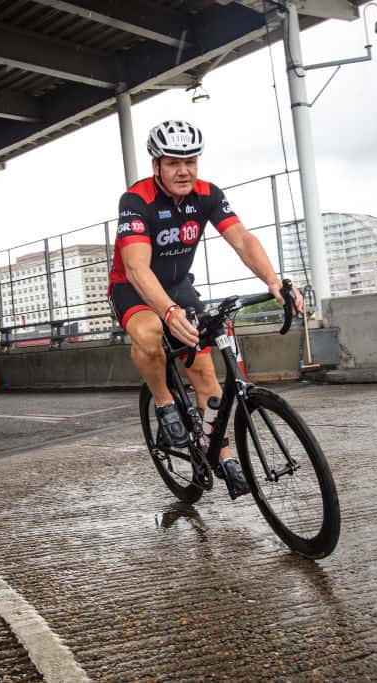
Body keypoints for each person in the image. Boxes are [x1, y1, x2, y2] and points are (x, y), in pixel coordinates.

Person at [109, 120, 304, 497]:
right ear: (156, 166)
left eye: (191, 161)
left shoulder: (208, 194)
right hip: (133, 286)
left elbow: (243, 240)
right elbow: (136, 266)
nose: (183, 170)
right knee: (149, 334)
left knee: (203, 370)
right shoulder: (136, 200)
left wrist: (273, 280)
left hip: (179, 285)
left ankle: (224, 453)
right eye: (173, 162)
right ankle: (164, 404)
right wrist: (167, 312)